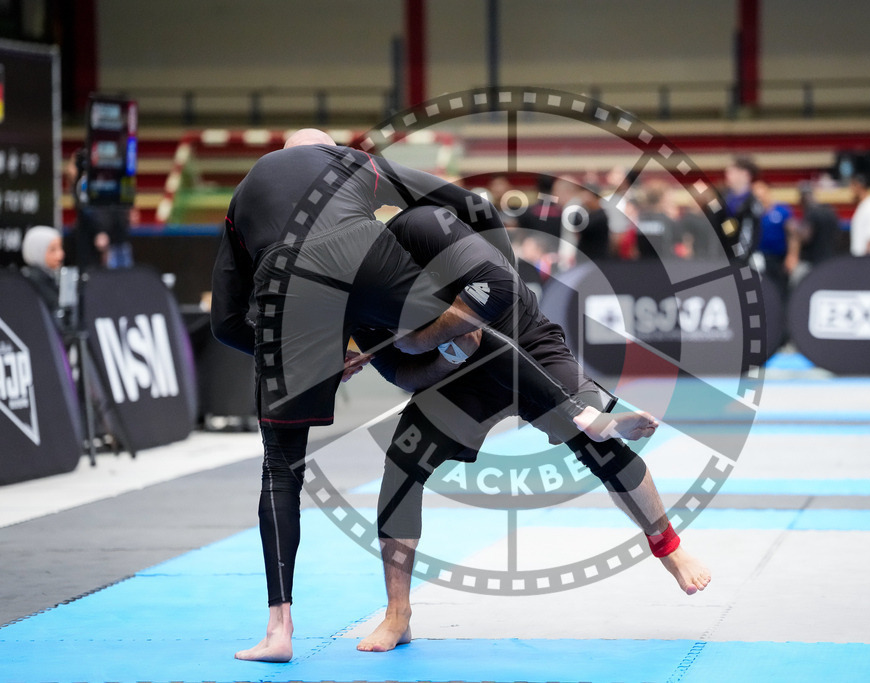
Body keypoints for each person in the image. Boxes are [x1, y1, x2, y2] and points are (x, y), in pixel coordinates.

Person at [210, 129, 669, 663]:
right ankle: (584, 416)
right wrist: (491, 273)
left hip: (289, 291)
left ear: (283, 155)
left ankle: (278, 629)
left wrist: (293, 354)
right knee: (463, 341)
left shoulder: (244, 194)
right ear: (325, 151)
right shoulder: (352, 164)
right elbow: (469, 207)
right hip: (369, 265)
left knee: (279, 469)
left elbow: (224, 322)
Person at [349, 205, 711, 654]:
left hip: (529, 344)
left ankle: (668, 546)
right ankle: (397, 612)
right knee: (403, 466)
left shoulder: (424, 233)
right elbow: (403, 375)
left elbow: (497, 289)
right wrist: (448, 357)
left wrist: (419, 338)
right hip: (460, 379)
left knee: (598, 444)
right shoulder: (357, 299)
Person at [788, 182, 839, 287]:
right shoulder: (830, 210)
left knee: (796, 285)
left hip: (811, 262)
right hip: (829, 259)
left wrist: (794, 229)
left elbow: (806, 236)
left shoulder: (811, 212)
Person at [722, 156, 762, 263]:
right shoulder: (724, 197)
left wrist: (739, 260)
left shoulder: (751, 203)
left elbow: (748, 234)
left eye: (732, 172)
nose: (727, 175)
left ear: (745, 174)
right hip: (724, 256)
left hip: (742, 259)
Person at [19, 225, 64, 314]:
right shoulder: (32, 280)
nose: (60, 255)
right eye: (53, 250)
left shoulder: (52, 277)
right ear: (37, 251)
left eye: (61, 248)